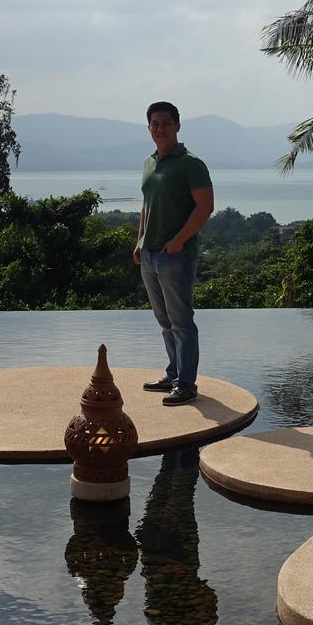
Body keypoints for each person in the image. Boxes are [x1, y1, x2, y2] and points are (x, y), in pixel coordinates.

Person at [133, 101, 213, 405]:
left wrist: (179, 241)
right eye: (154, 124)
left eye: (166, 123)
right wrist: (139, 240)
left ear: (177, 126)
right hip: (150, 254)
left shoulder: (190, 164)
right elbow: (146, 205)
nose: (160, 129)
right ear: (149, 128)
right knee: (164, 320)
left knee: (181, 321)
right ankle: (173, 373)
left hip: (175, 255)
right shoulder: (149, 163)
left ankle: (186, 384)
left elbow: (205, 207)